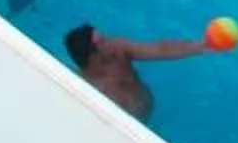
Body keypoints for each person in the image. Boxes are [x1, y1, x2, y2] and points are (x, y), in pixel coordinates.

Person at [62, 23, 228, 120]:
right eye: (102, 41)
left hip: (150, 112)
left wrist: (199, 46)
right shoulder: (86, 89)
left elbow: (160, 49)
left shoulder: (119, 50)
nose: (109, 40)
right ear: (93, 56)